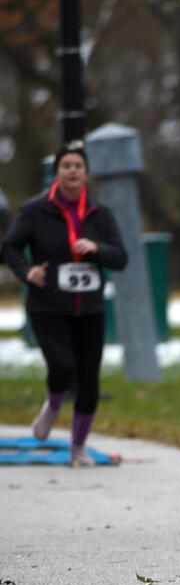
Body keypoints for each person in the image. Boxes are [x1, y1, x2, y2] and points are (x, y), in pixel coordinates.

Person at [2, 139, 128, 466]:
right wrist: (27, 271)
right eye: (66, 166)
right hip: (48, 306)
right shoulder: (35, 210)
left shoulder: (100, 214)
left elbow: (121, 257)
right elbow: (9, 248)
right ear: (57, 173)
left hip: (89, 308)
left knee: (89, 379)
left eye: (78, 166)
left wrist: (97, 249)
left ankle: (78, 448)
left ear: (86, 173)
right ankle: (53, 406)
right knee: (62, 366)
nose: (72, 171)